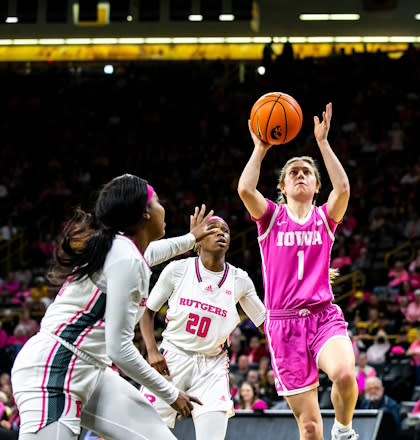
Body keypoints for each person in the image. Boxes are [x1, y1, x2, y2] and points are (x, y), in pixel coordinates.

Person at [11, 175, 217, 440]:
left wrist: (191, 239)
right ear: (144, 213)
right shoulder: (125, 258)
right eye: (156, 201)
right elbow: (119, 350)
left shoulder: (125, 249)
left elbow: (153, 253)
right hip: (54, 373)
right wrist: (170, 393)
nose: (162, 206)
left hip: (89, 370)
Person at [238, 103, 358, 440]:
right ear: (283, 187)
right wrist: (260, 149)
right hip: (284, 324)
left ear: (317, 186)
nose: (301, 175)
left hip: (322, 315)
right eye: (294, 172)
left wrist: (322, 143)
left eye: (307, 172)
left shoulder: (324, 218)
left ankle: (345, 430)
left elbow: (344, 189)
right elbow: (245, 190)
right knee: (308, 427)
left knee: (345, 374)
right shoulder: (271, 218)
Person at [139, 215, 266, 440]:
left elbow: (266, 324)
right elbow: (147, 312)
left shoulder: (240, 280)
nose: (220, 233)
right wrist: (151, 350)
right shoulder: (177, 269)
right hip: (171, 359)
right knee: (140, 433)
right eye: (212, 229)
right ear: (197, 241)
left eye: (225, 230)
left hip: (211, 366)